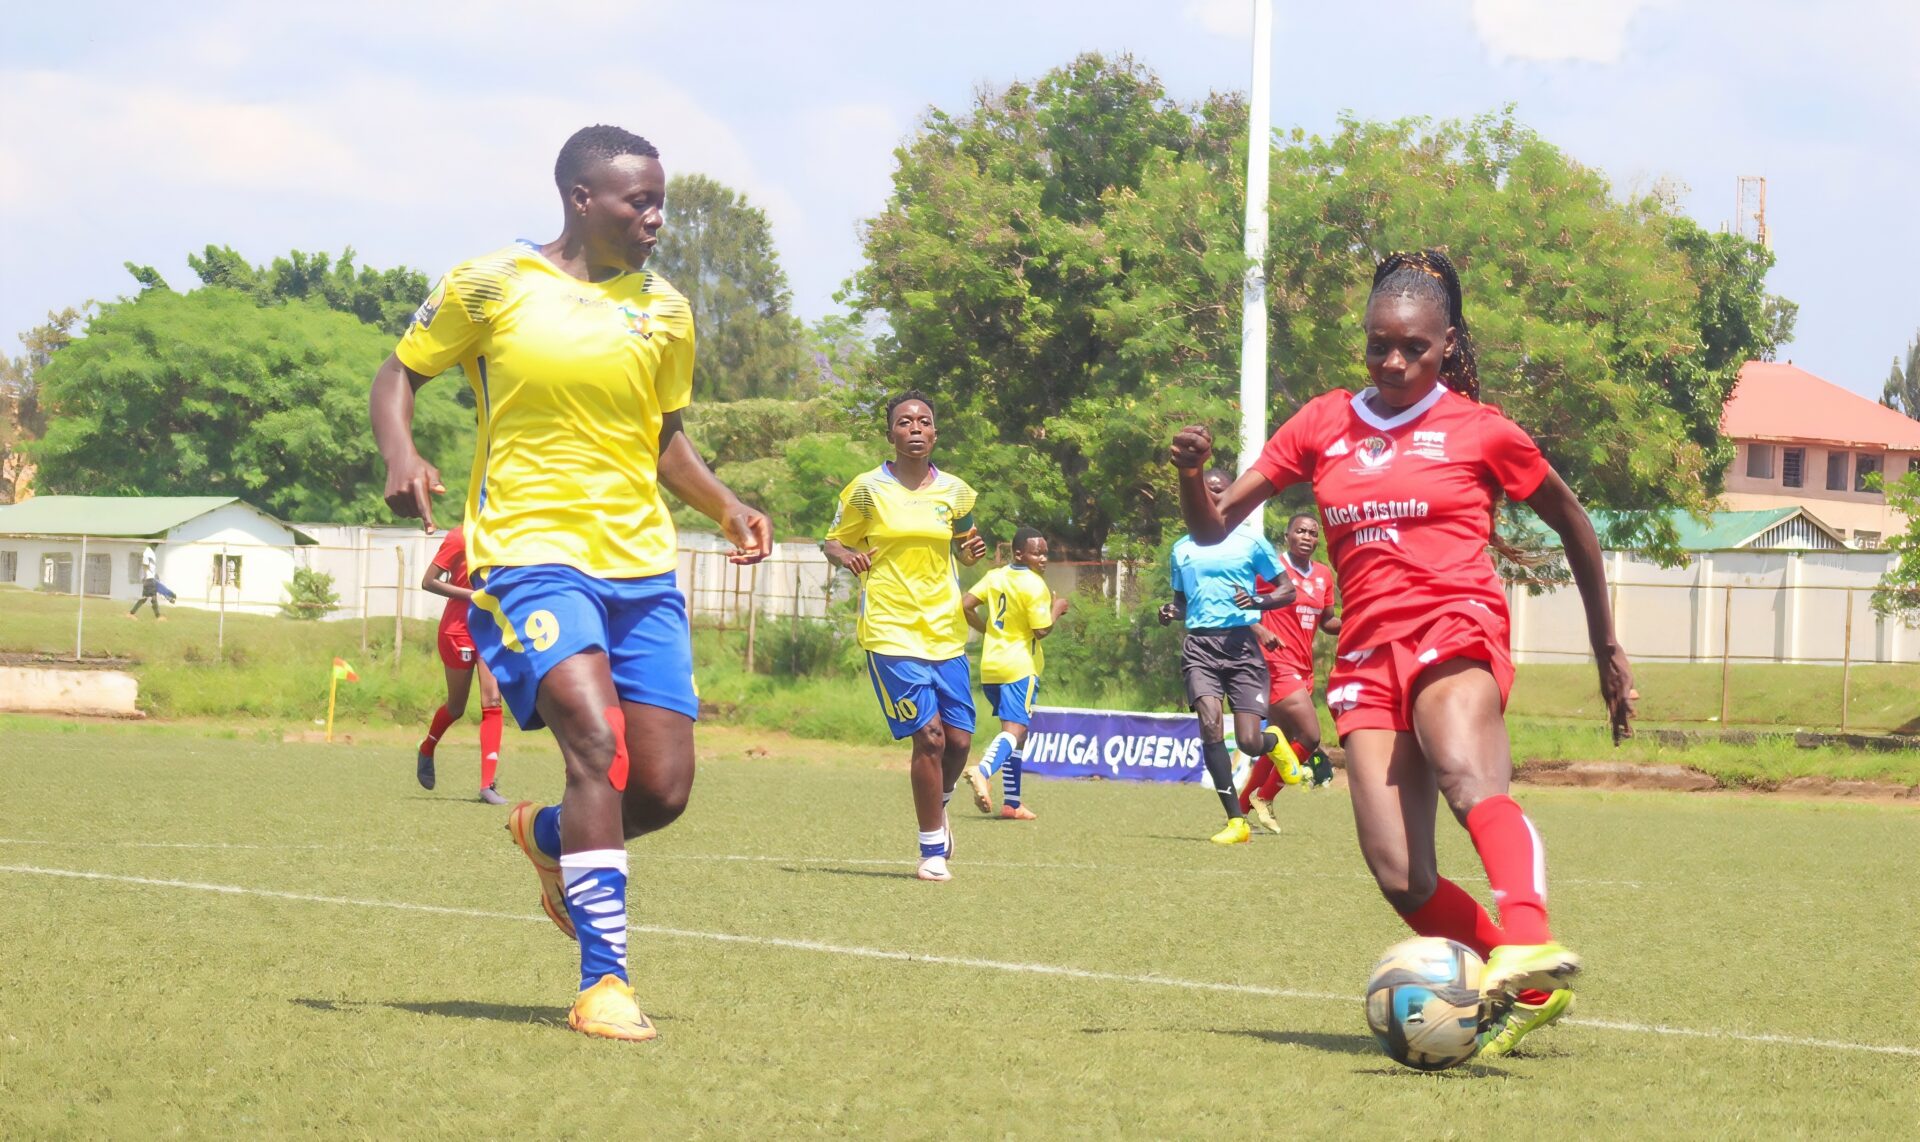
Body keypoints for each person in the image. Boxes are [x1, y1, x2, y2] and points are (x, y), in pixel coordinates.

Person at [1169, 249, 1635, 1057]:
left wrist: (1606, 645)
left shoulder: (1481, 430)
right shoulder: (1321, 424)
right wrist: (1192, 474)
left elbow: (1575, 524)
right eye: (1379, 343)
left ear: (1448, 343)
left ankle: (1527, 931)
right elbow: (1213, 528)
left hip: (1456, 624)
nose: (1393, 360)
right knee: (1400, 874)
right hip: (1363, 653)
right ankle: (1524, 984)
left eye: (1413, 347)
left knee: (1464, 770)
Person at [369, 124, 771, 1043]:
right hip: (528, 551)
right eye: (639, 201)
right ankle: (605, 984)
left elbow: (661, 433)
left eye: (662, 200)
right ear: (582, 199)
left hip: (639, 561)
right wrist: (402, 450)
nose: (656, 218)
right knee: (594, 739)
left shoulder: (665, 310)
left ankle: (548, 836)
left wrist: (726, 504)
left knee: (663, 790)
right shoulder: (492, 282)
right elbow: (402, 371)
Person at [824, 391, 988, 881]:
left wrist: (973, 551)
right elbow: (832, 540)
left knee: (960, 740)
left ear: (935, 433)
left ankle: (939, 805)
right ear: (890, 433)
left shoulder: (957, 492)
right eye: (904, 422)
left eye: (924, 421)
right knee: (930, 738)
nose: (915, 428)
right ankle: (931, 850)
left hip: (944, 629)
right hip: (891, 630)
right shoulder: (866, 490)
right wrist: (845, 555)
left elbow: (966, 543)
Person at [1158, 470, 1297, 847]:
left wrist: (1259, 601)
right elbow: (1184, 605)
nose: (1214, 501)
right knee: (1210, 723)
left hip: (1241, 647)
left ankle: (1273, 743)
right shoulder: (1182, 548)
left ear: (1231, 499)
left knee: (1250, 742)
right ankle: (1236, 821)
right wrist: (1172, 611)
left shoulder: (1250, 542)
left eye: (1220, 494)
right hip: (1200, 648)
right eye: (1207, 494)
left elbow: (1288, 591)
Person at [1238, 512, 1342, 833]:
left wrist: (1357, 620)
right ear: (1287, 535)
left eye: (1313, 533)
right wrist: (1257, 630)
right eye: (1300, 531)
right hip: (1275, 664)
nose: (1307, 537)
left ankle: (1238, 810)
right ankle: (1266, 796)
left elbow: (1327, 621)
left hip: (1303, 668)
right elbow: (1237, 603)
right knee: (1309, 737)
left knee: (1279, 743)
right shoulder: (1272, 569)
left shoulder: (1323, 575)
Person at [960, 527, 1070, 820]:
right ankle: (982, 771)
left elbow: (965, 605)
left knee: (1018, 736)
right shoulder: (1034, 585)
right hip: (1019, 666)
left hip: (991, 667)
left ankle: (1012, 803)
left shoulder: (995, 576)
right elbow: (1041, 629)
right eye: (1037, 553)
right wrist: (1057, 608)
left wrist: (988, 631)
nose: (1043, 558)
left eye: (1045, 552)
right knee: (1015, 730)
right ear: (1019, 553)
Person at [416, 524, 508, 805]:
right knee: (456, 707)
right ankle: (427, 747)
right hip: (459, 629)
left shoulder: (508, 535)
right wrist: (473, 596)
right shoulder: (459, 536)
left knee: (492, 700)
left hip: (492, 628)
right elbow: (428, 581)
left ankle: (487, 786)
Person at [126, 544, 164, 620]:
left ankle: (132, 613)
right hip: (149, 582)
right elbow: (143, 574)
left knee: (147, 599)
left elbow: (152, 573)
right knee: (151, 599)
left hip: (150, 582)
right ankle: (158, 616)